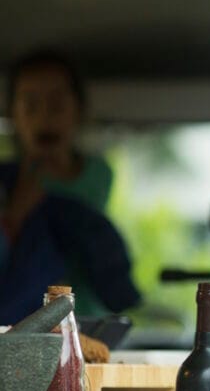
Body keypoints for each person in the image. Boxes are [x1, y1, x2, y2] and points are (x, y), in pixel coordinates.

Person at [0, 49, 139, 323]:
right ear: (14, 115)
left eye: (56, 106)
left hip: (86, 321)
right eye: (31, 106)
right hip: (26, 327)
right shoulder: (6, 183)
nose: (44, 117)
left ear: (78, 110)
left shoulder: (97, 174)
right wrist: (16, 211)